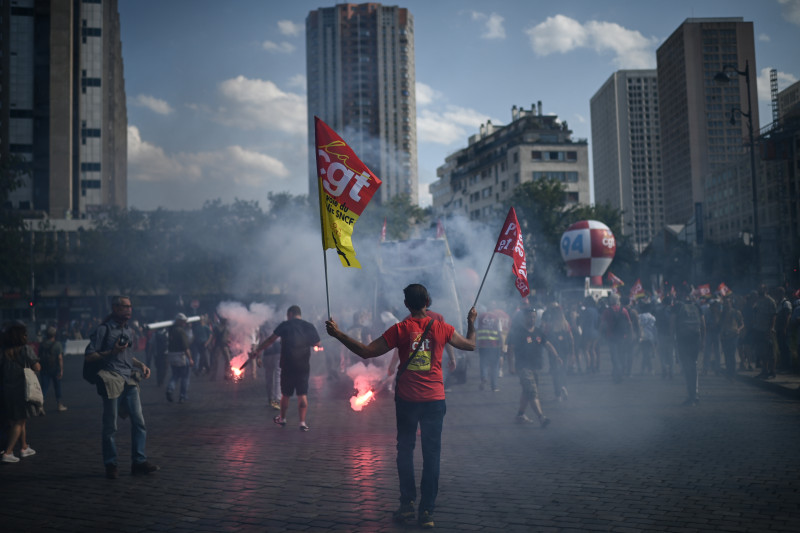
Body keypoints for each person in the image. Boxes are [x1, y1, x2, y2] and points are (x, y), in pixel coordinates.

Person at [325, 283, 477, 529]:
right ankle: (427, 511)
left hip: (407, 400)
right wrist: (471, 321)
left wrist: (339, 334)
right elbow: (470, 344)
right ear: (428, 301)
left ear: (406, 305)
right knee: (432, 455)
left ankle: (406, 505)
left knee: (405, 451)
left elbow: (366, 352)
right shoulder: (442, 328)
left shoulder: (401, 329)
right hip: (434, 401)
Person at [84, 296, 159, 479]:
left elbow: (126, 356)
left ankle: (138, 461)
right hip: (111, 379)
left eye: (130, 306)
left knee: (139, 422)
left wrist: (140, 365)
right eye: (125, 306)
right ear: (115, 308)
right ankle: (111, 464)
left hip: (129, 380)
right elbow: (89, 356)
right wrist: (111, 352)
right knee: (111, 426)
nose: (129, 310)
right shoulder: (103, 330)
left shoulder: (129, 330)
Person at [250, 305, 321, 432]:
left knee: (286, 394)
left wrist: (258, 350)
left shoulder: (285, 325)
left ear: (290, 314)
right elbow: (317, 344)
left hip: (287, 364)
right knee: (302, 394)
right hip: (303, 365)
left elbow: (271, 340)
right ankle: (302, 422)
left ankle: (282, 418)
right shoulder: (308, 326)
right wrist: (310, 344)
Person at [1, 322, 43, 463]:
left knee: (18, 419)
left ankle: (24, 447)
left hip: (7, 389)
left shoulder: (4, 351)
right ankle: (8, 452)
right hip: (22, 389)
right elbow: (36, 366)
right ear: (21, 336)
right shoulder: (26, 349)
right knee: (18, 422)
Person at [506, 307, 554, 427]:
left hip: (535, 367)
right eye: (529, 317)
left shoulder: (538, 331)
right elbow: (510, 349)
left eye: (534, 317)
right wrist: (511, 366)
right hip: (523, 367)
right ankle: (541, 417)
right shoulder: (518, 332)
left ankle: (520, 414)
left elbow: (547, 344)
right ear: (524, 317)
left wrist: (556, 356)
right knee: (532, 392)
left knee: (527, 392)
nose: (532, 319)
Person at [673, 287, 705, 405]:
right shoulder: (697, 306)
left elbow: (672, 323)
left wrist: (673, 339)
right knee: (694, 365)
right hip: (695, 338)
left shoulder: (677, 307)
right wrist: (702, 341)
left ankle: (691, 395)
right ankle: (695, 394)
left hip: (683, 339)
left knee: (687, 367)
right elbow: (703, 324)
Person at [541, 301, 572, 401]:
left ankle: (558, 395)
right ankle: (564, 386)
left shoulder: (549, 325)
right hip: (565, 350)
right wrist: (573, 351)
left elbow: (544, 337)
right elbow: (571, 338)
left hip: (553, 351)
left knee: (554, 372)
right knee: (563, 370)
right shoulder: (566, 324)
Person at [601, 294, 633, 383]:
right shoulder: (624, 310)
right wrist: (630, 333)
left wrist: (601, 334)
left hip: (611, 336)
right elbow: (629, 323)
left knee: (614, 356)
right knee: (621, 354)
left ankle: (617, 372)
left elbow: (603, 324)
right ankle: (621, 371)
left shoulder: (606, 311)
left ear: (610, 301)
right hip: (622, 336)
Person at [38, 326, 68, 412]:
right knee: (57, 387)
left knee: (44, 388)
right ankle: (59, 405)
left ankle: (40, 406)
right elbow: (60, 358)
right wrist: (61, 370)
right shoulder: (57, 344)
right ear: (54, 335)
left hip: (44, 368)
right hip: (55, 369)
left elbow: (39, 356)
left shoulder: (42, 344)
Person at [166, 313, 194, 403]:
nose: (184, 323)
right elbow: (186, 346)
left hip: (172, 355)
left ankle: (170, 389)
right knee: (185, 377)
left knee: (175, 375)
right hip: (181, 356)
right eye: (183, 321)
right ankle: (183, 396)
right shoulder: (181, 331)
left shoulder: (171, 330)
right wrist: (190, 358)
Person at [476, 306, 504, 392]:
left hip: (483, 345)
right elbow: (500, 332)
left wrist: (475, 344)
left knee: (483, 363)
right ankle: (494, 386)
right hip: (494, 345)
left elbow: (475, 331)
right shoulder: (496, 318)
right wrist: (502, 345)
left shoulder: (480, 317)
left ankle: (484, 377)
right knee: (494, 366)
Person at [752, 284, 777, 379]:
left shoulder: (770, 301)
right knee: (761, 351)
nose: (759, 291)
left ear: (765, 290)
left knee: (770, 351)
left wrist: (771, 328)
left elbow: (773, 315)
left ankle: (772, 371)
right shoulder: (758, 301)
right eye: (758, 289)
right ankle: (764, 370)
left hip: (767, 329)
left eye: (761, 289)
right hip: (759, 329)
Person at [256, 320, 281, 410]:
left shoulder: (263, 327)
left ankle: (271, 399)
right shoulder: (279, 324)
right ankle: (276, 400)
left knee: (269, 377)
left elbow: (261, 340)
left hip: (268, 353)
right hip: (278, 351)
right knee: (278, 377)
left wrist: (258, 355)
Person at [719, 297, 744, 379]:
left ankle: (732, 373)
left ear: (731, 303)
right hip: (725, 336)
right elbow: (721, 325)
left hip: (733, 336)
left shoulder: (736, 312)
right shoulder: (722, 313)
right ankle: (728, 371)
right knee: (726, 354)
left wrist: (738, 330)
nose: (726, 304)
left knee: (732, 354)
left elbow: (742, 324)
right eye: (725, 303)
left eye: (728, 302)